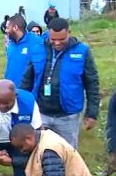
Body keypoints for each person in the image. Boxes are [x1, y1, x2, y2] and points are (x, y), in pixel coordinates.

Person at [20, 18, 100, 149]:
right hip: (41, 113)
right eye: (53, 39)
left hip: (68, 116)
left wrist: (92, 113)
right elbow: (27, 81)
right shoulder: (37, 50)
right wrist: (21, 107)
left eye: (62, 39)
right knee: (39, 151)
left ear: (69, 32)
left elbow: (92, 83)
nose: (57, 43)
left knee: (67, 153)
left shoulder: (82, 51)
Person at [4, 15, 46, 87]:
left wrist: (33, 93)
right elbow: (9, 67)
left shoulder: (36, 43)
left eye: (7, 28)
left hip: (25, 92)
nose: (6, 30)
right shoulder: (11, 44)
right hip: (10, 90)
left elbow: (40, 73)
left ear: (15, 28)